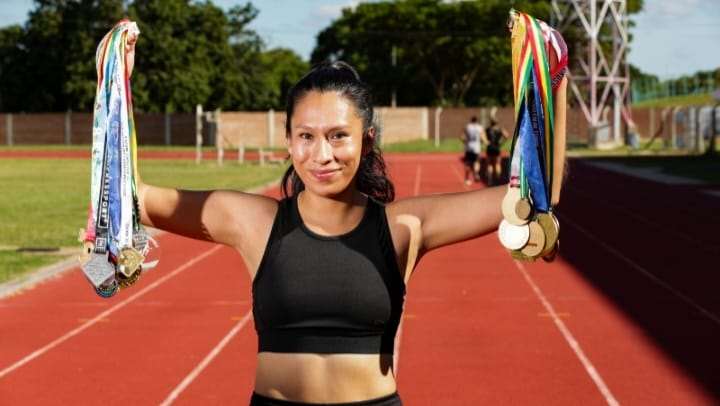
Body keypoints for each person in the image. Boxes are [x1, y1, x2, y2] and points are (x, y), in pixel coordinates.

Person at [127, 36, 565, 406]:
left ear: (366, 140)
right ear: (288, 141)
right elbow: (131, 197)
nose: (322, 155)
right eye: (306, 137)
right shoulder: (252, 221)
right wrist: (114, 85)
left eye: (339, 135)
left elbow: (532, 193)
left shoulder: (403, 227)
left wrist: (554, 80)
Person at [460, 116, 486, 185]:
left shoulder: (467, 127)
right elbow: (482, 137)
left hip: (469, 147)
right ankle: (476, 173)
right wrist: (485, 143)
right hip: (476, 147)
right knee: (476, 162)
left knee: (468, 163)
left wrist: (465, 142)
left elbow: (462, 137)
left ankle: (467, 179)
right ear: (477, 121)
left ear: (471, 120)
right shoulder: (480, 127)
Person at [484, 119, 509, 185]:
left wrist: (486, 142)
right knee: (497, 164)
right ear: (497, 123)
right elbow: (506, 136)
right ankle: (498, 179)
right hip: (497, 147)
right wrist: (502, 143)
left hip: (489, 148)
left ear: (490, 123)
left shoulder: (487, 129)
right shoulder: (500, 129)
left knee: (489, 164)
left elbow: (483, 137)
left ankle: (490, 180)